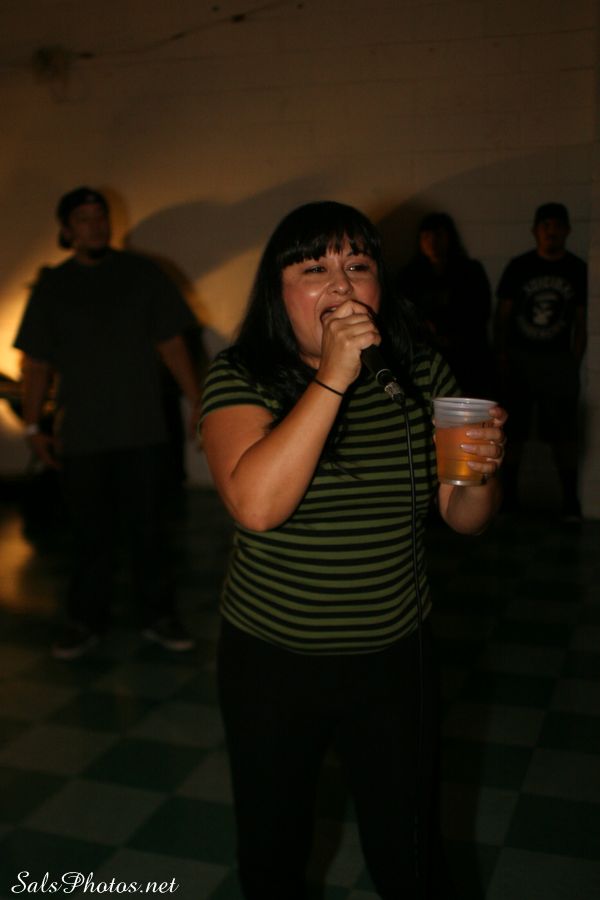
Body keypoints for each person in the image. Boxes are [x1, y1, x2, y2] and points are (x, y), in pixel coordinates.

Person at [200, 201, 507, 900]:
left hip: (395, 656)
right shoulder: (240, 376)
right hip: (273, 659)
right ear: (278, 291)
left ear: (379, 286)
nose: (341, 284)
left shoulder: (419, 373)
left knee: (412, 856)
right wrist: (333, 377)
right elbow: (256, 506)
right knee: (274, 852)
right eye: (314, 268)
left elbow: (463, 518)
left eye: (358, 265)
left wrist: (482, 469)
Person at [14, 186, 201, 659]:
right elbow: (36, 363)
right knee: (88, 535)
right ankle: (85, 620)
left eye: (100, 216)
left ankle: (159, 616)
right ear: (66, 229)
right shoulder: (53, 286)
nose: (95, 225)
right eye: (83, 218)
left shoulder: (142, 274)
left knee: (149, 530)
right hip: (82, 435)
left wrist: (199, 402)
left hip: (142, 429)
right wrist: (33, 427)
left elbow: (172, 344)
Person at [495, 202, 587, 519]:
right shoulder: (520, 267)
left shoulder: (576, 269)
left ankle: (570, 501)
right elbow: (503, 316)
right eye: (545, 225)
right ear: (535, 230)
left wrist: (573, 360)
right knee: (514, 432)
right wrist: (503, 355)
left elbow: (581, 321)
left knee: (563, 434)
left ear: (567, 230)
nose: (551, 231)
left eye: (557, 225)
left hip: (557, 361)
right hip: (520, 360)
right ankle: (509, 500)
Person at [396, 212, 495, 398]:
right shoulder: (410, 276)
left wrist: (450, 332)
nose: (432, 242)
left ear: (449, 238)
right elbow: (403, 314)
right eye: (426, 237)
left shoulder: (470, 271)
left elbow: (480, 311)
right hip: (426, 354)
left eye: (438, 235)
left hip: (467, 355)